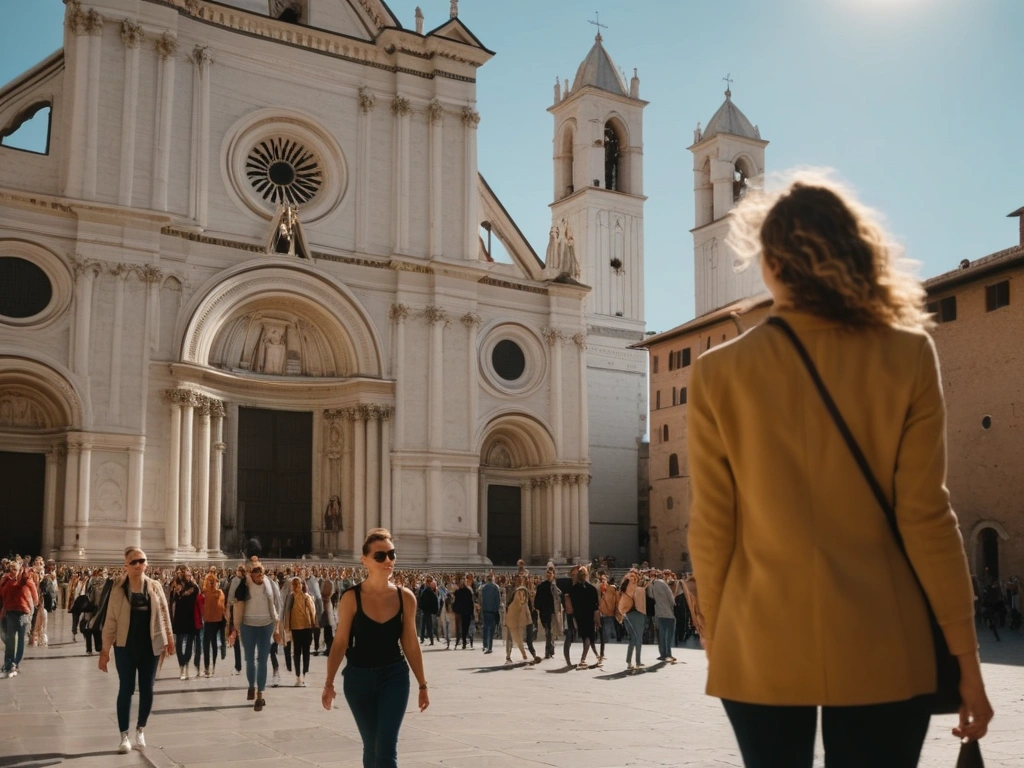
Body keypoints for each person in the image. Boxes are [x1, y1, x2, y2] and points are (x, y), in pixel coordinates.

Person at [687, 173, 994, 768]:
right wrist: (968, 664)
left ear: (771, 261)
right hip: (884, 642)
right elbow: (929, 519)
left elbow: (712, 527)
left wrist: (719, 636)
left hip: (761, 642)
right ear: (856, 254)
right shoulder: (907, 354)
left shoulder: (717, 372)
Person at [322, 529, 429, 768]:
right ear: (365, 561)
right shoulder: (351, 598)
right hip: (358, 679)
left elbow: (410, 642)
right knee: (372, 747)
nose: (388, 560)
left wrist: (422, 684)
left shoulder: (406, 597)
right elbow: (339, 643)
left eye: (391, 554)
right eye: (380, 556)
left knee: (385, 749)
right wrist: (329, 682)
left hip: (395, 677)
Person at [98, 548, 174, 754]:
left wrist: (169, 638)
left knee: (147, 688)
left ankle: (140, 728)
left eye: (142, 561)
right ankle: (124, 735)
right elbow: (111, 621)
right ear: (126, 565)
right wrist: (105, 651)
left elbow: (165, 613)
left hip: (151, 646)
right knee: (126, 688)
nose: (139, 565)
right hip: (125, 646)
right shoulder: (118, 589)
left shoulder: (155, 587)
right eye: (134, 562)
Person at [229, 562, 282, 711]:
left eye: (262, 572)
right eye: (257, 572)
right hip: (248, 625)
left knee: (263, 660)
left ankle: (260, 694)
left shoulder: (269, 584)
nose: (260, 574)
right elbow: (233, 600)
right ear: (250, 574)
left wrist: (277, 626)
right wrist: (234, 626)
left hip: (266, 625)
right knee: (249, 659)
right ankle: (251, 685)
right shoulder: (244, 583)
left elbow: (275, 604)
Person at [0, 559, 38, 678]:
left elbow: (35, 597)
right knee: (10, 639)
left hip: (23, 613)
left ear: (19, 570)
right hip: (10, 613)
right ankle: (8, 664)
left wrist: (31, 606)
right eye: (11, 568)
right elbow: (2, 595)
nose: (12, 571)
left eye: (15, 569)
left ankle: (15, 663)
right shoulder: (7, 581)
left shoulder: (27, 581)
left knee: (21, 639)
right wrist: (4, 582)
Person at [283, 576, 316, 686]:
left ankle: (304, 674)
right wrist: (287, 628)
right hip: (295, 628)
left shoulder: (306, 597)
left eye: (298, 584)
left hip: (306, 628)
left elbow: (312, 612)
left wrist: (314, 625)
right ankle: (298, 676)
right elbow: (287, 613)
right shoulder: (290, 598)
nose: (296, 587)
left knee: (306, 652)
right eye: (294, 585)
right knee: (296, 653)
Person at [170, 568, 201, 680]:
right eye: (186, 575)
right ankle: (181, 664)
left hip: (190, 619)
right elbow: (173, 599)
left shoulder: (194, 586)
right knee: (179, 644)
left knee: (189, 645)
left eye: (189, 575)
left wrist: (194, 583)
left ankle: (185, 664)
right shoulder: (177, 586)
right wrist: (178, 592)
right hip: (179, 619)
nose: (188, 576)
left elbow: (198, 595)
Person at [568, 566, 599, 669]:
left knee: (588, 637)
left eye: (583, 574)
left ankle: (586, 658)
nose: (582, 576)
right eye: (581, 574)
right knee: (589, 637)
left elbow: (596, 606)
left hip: (585, 616)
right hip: (582, 617)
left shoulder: (589, 589)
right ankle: (593, 657)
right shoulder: (579, 589)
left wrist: (596, 617)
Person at [617, 570, 646, 673]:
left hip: (628, 614)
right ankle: (637, 662)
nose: (634, 579)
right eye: (633, 577)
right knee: (637, 639)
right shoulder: (635, 589)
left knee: (634, 639)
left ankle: (629, 662)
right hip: (636, 614)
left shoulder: (624, 589)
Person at [648, 570, 678, 663]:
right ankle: (668, 654)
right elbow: (671, 600)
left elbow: (651, 596)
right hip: (668, 614)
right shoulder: (664, 585)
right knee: (668, 636)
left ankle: (662, 654)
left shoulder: (653, 585)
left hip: (659, 613)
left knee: (661, 635)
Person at [201, 572, 226, 677]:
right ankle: (211, 666)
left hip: (210, 621)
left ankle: (208, 667)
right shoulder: (218, 593)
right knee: (212, 643)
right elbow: (221, 607)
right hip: (214, 621)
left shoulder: (206, 593)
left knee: (208, 644)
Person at [534, 567, 558, 659]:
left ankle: (548, 650)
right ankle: (549, 650)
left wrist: (539, 608)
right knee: (550, 632)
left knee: (549, 632)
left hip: (546, 612)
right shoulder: (553, 586)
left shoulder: (542, 586)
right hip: (550, 612)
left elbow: (536, 602)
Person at [479, 574, 501, 654]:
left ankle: (484, 645)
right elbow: (498, 600)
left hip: (485, 610)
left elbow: (481, 599)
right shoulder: (496, 587)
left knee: (485, 627)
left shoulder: (483, 588)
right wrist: (496, 610)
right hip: (492, 611)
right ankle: (489, 646)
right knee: (490, 629)